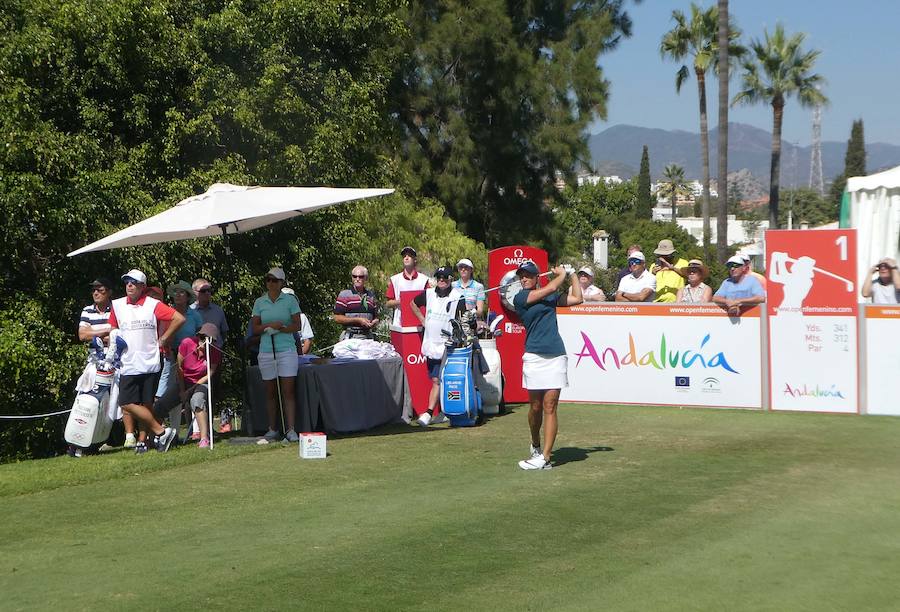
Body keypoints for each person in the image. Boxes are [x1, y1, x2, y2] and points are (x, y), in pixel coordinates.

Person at [513, 261, 582, 470]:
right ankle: (535, 443)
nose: (524, 279)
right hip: (534, 356)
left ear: (536, 277)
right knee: (535, 408)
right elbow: (552, 287)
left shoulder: (550, 297)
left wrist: (572, 274)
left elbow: (578, 299)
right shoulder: (520, 297)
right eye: (521, 276)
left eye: (528, 275)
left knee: (550, 405)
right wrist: (560, 275)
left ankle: (545, 457)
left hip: (555, 355)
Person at [108, 269, 184, 453]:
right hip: (128, 362)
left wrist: (165, 338)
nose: (129, 285)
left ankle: (144, 441)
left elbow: (178, 318)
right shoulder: (117, 305)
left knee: (147, 404)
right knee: (126, 402)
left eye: (133, 283)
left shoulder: (152, 304)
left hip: (149, 361)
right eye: (127, 282)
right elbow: (113, 330)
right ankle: (161, 431)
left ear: (142, 286)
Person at [409, 266, 465, 426]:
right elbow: (412, 303)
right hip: (431, 343)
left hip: (448, 345)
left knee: (439, 380)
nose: (441, 280)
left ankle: (429, 412)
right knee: (437, 379)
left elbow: (461, 320)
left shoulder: (457, 297)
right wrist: (421, 319)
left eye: (445, 277)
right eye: (439, 277)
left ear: (450, 279)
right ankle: (442, 412)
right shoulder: (428, 293)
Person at [77, 277, 127, 453]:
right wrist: (107, 331)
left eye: (101, 289)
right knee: (91, 399)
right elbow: (82, 335)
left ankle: (114, 438)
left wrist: (95, 333)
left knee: (114, 402)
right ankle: (89, 441)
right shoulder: (87, 310)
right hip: (95, 363)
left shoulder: (117, 309)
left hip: (115, 362)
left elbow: (119, 334)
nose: (96, 293)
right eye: (94, 290)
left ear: (110, 292)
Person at [251, 267, 302, 442]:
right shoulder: (259, 302)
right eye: (268, 280)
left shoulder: (289, 301)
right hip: (266, 350)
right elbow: (255, 328)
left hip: (286, 349)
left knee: (288, 391)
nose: (270, 283)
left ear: (281, 283)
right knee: (270, 391)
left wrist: (282, 329)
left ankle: (291, 429)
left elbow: (297, 325)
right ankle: (272, 428)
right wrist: (269, 326)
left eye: (274, 280)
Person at [154, 281, 204, 434]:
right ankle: (165, 429)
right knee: (167, 392)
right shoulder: (167, 312)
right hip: (170, 355)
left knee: (188, 392)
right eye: (176, 292)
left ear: (188, 296)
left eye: (181, 292)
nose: (177, 295)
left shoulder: (194, 315)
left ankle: (188, 430)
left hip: (190, 357)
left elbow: (200, 336)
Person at [176, 323, 222, 448]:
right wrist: (182, 390)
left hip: (202, 383)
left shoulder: (215, 352)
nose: (204, 341)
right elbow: (179, 367)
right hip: (183, 381)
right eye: (202, 337)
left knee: (197, 400)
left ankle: (204, 438)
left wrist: (190, 390)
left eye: (208, 339)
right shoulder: (186, 343)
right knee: (162, 404)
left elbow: (209, 374)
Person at [385, 246, 429, 327]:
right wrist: (402, 301)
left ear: (415, 260)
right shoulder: (395, 279)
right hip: (399, 324)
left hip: (420, 324)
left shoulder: (424, 279)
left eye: (409, 256)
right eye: (404, 256)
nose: (406, 258)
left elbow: (430, 300)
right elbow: (388, 303)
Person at [334, 265, 380, 340]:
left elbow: (376, 317)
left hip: (367, 337)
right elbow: (337, 318)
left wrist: (374, 322)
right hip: (350, 336)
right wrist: (357, 320)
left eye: (360, 276)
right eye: (354, 276)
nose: (357, 279)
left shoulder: (371, 296)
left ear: (366, 278)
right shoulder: (344, 295)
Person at [191, 278, 229, 345]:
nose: (207, 293)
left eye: (209, 290)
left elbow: (224, 333)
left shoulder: (218, 311)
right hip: (194, 352)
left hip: (215, 351)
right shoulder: (189, 311)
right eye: (203, 291)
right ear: (194, 292)